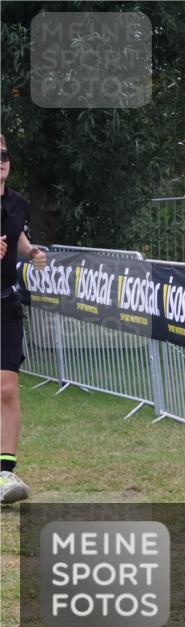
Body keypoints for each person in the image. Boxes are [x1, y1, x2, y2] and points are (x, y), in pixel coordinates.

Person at [0, 134, 47, 504]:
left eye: (4, 155)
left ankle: (4, 473)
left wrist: (30, 250)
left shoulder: (16, 203)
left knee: (7, 389)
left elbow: (15, 235)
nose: (0, 160)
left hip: (5, 304)